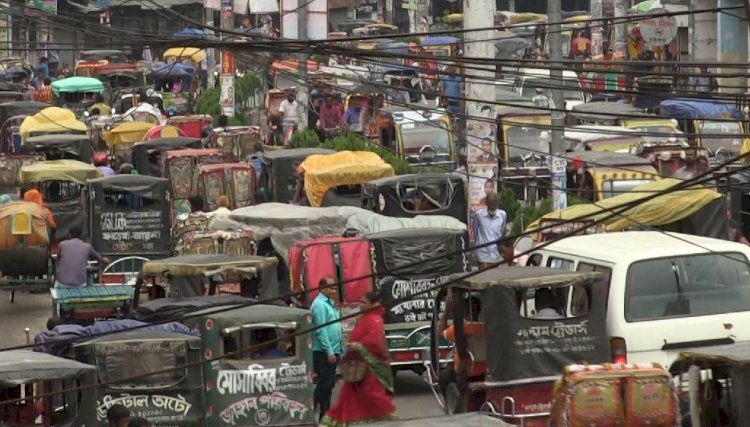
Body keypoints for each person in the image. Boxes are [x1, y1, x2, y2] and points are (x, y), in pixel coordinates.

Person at [321, 292, 397, 426]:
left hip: (370, 370)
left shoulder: (375, 319)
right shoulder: (364, 318)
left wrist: (358, 346)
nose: (360, 305)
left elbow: (375, 343)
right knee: (351, 399)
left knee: (372, 398)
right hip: (357, 368)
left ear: (372, 304)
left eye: (364, 302)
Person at [311, 276, 342, 422]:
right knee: (325, 383)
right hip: (322, 352)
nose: (334, 290)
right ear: (322, 288)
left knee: (329, 384)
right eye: (331, 288)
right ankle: (313, 410)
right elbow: (321, 330)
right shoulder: (319, 305)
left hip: (333, 350)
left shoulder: (330, 303)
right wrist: (329, 351)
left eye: (335, 288)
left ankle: (325, 415)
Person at [472, 192, 507, 270]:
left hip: (495, 253)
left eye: (495, 205)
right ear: (486, 203)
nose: (493, 207)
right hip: (482, 253)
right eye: (491, 204)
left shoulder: (502, 215)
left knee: (493, 279)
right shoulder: (478, 215)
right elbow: (476, 232)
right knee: (483, 278)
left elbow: (502, 232)